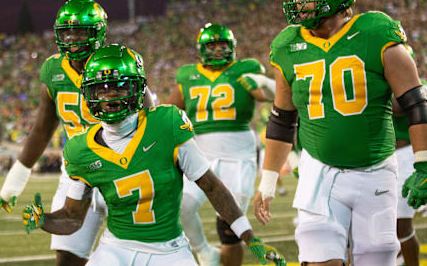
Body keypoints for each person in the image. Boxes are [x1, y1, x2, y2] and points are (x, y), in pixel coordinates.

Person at [22, 44, 285, 266]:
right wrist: (43, 219)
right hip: (115, 248)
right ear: (89, 95)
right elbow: (71, 218)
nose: (110, 96)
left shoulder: (166, 124)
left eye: (119, 86)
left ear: (137, 89)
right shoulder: (80, 149)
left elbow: (213, 187)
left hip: (169, 251)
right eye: (101, 88)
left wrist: (251, 238)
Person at [253, 0, 427, 266]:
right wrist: (268, 182)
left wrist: (426, 164)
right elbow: (282, 120)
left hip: (375, 171)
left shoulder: (377, 32)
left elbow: (417, 104)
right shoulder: (286, 45)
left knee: (376, 258)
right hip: (317, 171)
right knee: (320, 256)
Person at [0, 0, 112, 266]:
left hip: (120, 169)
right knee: (68, 258)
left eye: (80, 31)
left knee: (134, 252)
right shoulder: (53, 69)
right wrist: (15, 180)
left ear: (97, 32)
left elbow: (147, 116)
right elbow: (41, 129)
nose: (72, 38)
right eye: (67, 31)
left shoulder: (116, 63)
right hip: (77, 170)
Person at [166, 23, 275, 266]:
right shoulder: (187, 75)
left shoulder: (244, 69)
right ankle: (204, 252)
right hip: (200, 153)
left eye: (222, 45)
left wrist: (267, 85)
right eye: (212, 45)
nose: (217, 50)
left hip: (238, 154)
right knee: (180, 207)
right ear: (201, 49)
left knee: (229, 225)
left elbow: (270, 96)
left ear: (232, 47)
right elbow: (169, 112)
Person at [393, 44, 427, 266]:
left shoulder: (420, 85)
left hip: (407, 155)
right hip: (381, 158)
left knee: (402, 225)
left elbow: (400, 106)